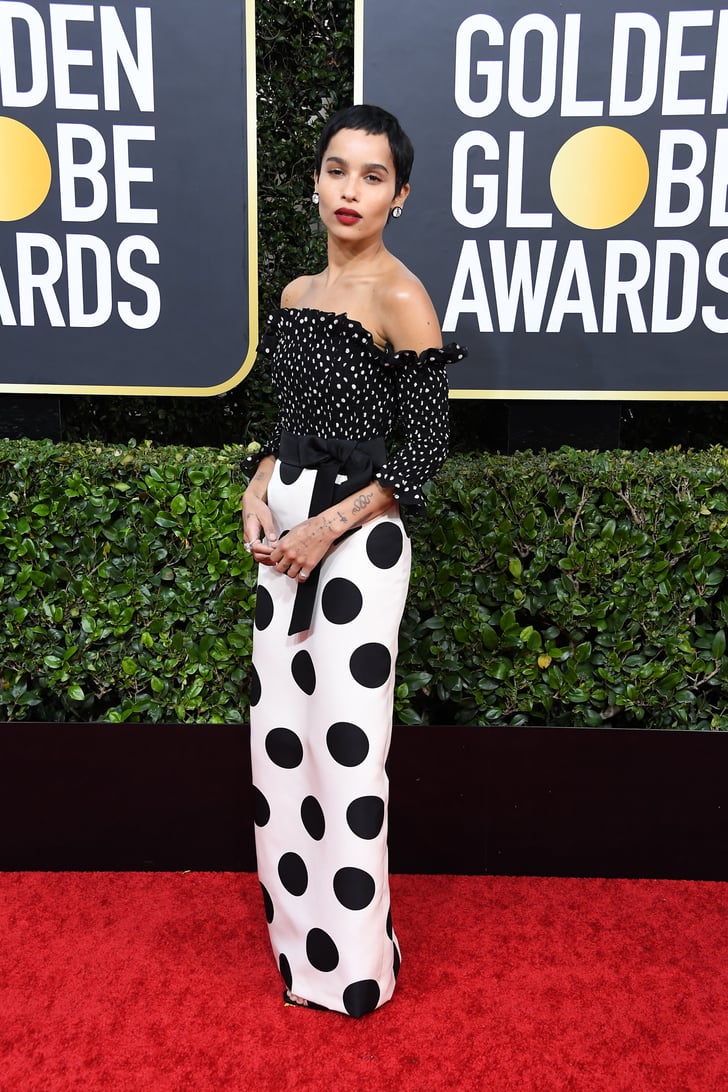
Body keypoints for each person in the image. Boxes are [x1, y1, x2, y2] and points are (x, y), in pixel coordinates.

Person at [241, 104, 466, 1017]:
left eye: (373, 177)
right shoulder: (296, 294)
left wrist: (322, 528)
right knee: (279, 746)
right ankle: (302, 952)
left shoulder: (402, 297)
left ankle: (356, 963)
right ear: (317, 179)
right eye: (339, 169)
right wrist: (258, 487)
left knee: (345, 745)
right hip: (284, 531)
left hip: (358, 538)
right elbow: (286, 423)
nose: (351, 190)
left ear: (399, 196)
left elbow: (422, 455)